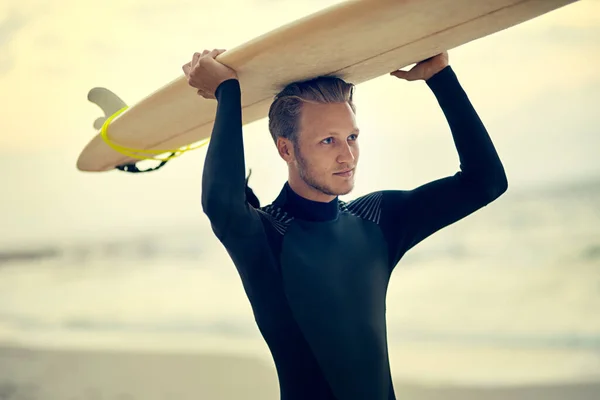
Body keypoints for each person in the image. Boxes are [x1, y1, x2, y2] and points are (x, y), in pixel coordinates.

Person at [182, 48, 508, 400]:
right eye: (328, 141)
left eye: (352, 137)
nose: (347, 155)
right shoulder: (264, 236)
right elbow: (220, 202)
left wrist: (440, 77)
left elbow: (486, 182)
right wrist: (226, 90)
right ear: (286, 150)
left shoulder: (378, 221)